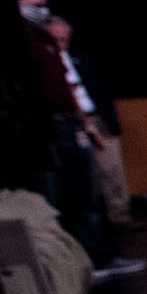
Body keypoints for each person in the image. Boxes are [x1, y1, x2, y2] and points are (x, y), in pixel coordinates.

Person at [15, 0, 138, 276]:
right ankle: (63, 268)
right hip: (49, 129)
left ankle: (98, 258)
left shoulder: (45, 41)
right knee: (59, 200)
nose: (40, 11)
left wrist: (87, 126)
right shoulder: (24, 44)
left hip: (72, 124)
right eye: (32, 4)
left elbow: (70, 90)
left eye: (42, 4)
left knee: (87, 196)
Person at [47, 15, 133, 230]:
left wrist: (111, 118)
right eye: (57, 40)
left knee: (112, 169)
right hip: (71, 123)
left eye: (65, 39)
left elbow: (102, 90)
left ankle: (119, 217)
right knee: (85, 178)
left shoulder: (82, 59)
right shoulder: (47, 64)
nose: (62, 44)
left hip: (96, 116)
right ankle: (95, 225)